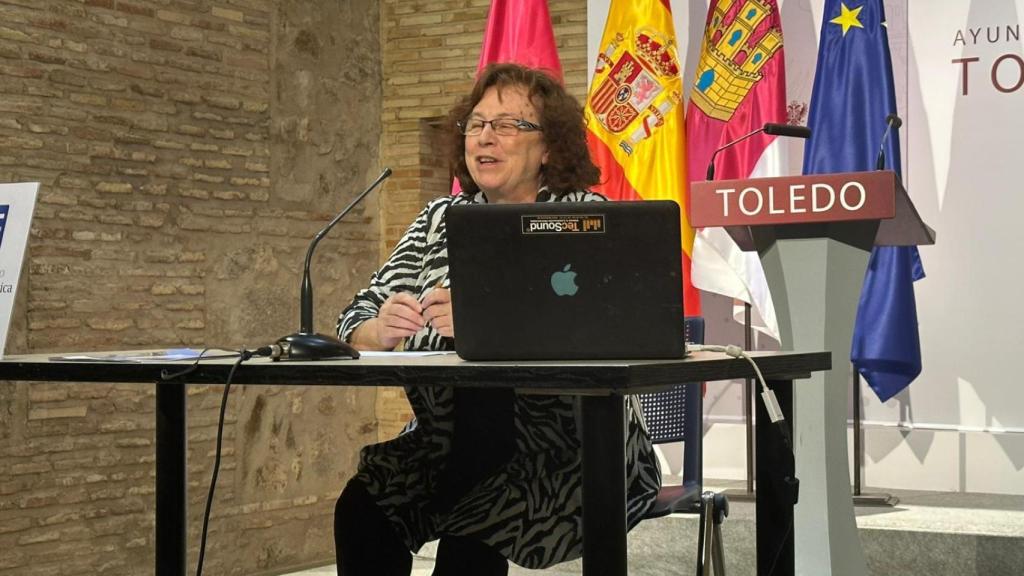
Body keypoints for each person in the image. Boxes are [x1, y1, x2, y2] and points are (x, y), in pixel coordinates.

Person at [333, 63, 660, 575]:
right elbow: (354, 316)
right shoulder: (438, 220)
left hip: (567, 451)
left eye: (508, 125)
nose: (485, 137)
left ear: (549, 147)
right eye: (477, 124)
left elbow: (615, 326)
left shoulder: (583, 215)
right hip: (451, 440)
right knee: (363, 506)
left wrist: (486, 323)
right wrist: (380, 328)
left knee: (477, 528)